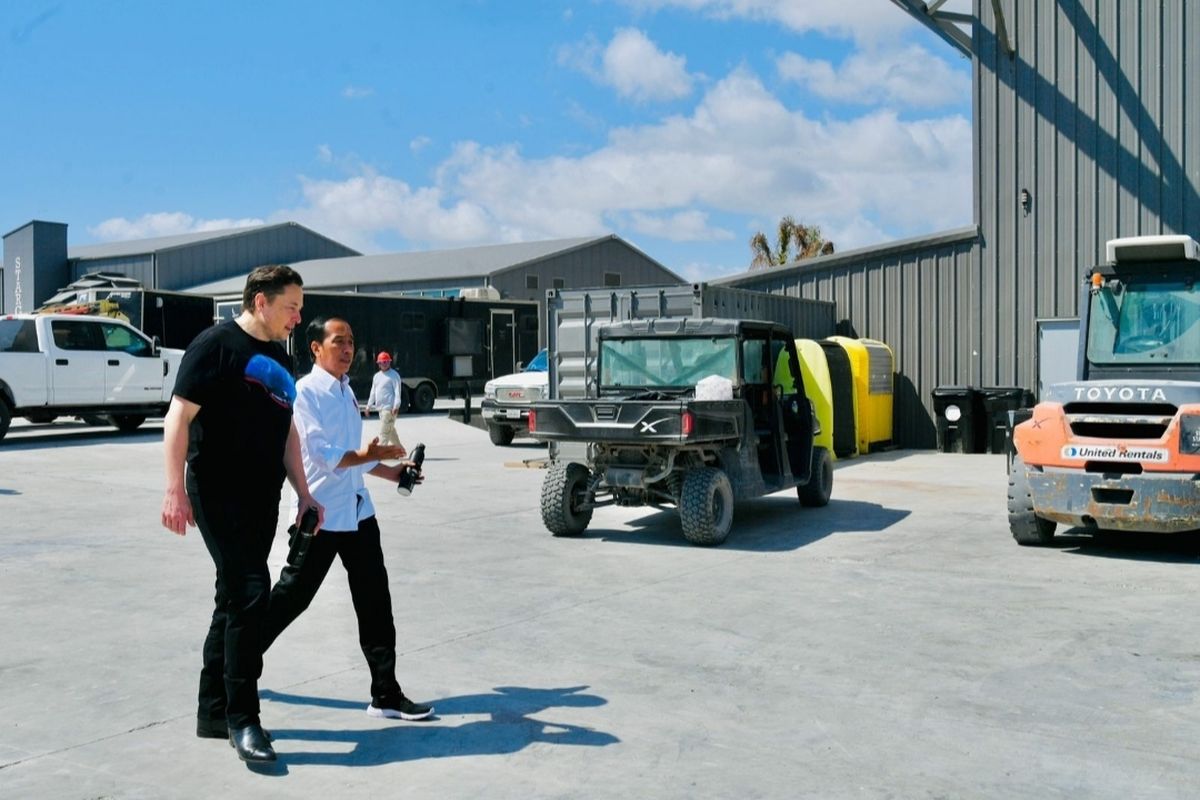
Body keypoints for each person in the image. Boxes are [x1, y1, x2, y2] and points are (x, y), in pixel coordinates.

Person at [161, 264, 323, 764]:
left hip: (262, 496)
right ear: (261, 302)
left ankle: (212, 711)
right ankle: (243, 719)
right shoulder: (215, 346)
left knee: (231, 598)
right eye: (291, 306)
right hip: (216, 492)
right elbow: (177, 417)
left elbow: (287, 430)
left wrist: (304, 491)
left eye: (299, 307)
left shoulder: (277, 354)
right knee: (251, 593)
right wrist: (173, 490)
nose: (298, 316)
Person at [263, 317, 434, 722]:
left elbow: (354, 459)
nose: (347, 349)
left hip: (358, 512)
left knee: (376, 601)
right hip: (318, 515)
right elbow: (325, 455)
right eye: (338, 341)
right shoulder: (304, 393)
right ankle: (234, 663)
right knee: (291, 599)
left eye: (351, 342)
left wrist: (395, 472)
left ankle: (385, 694)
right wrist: (372, 455)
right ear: (315, 349)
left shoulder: (345, 391)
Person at [366, 351, 403, 446]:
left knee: (384, 434)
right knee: (390, 433)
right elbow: (373, 392)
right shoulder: (376, 376)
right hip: (380, 409)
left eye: (386, 361)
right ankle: (400, 451)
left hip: (389, 409)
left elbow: (397, 392)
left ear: (390, 362)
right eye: (382, 362)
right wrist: (368, 406)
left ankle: (380, 455)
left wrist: (396, 406)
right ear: (378, 364)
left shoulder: (394, 375)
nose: (384, 364)